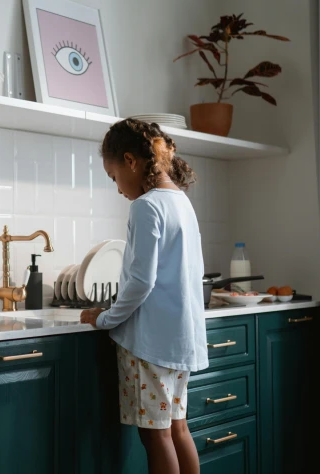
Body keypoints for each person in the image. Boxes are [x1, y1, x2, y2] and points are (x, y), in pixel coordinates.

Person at [81, 118, 208, 474]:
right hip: (180, 340)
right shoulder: (181, 201)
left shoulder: (146, 206)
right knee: (178, 429)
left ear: (131, 161)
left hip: (150, 344)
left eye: (113, 176)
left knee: (156, 437)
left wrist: (106, 317)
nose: (118, 188)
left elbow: (140, 281)